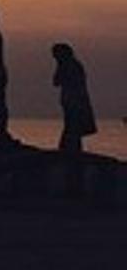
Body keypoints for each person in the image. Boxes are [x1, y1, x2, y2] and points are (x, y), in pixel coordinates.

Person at [52, 42, 96, 196]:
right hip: (72, 106)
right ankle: (72, 169)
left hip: (74, 106)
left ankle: (74, 175)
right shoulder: (72, 65)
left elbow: (57, 81)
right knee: (72, 138)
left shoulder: (70, 66)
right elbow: (56, 82)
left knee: (72, 137)